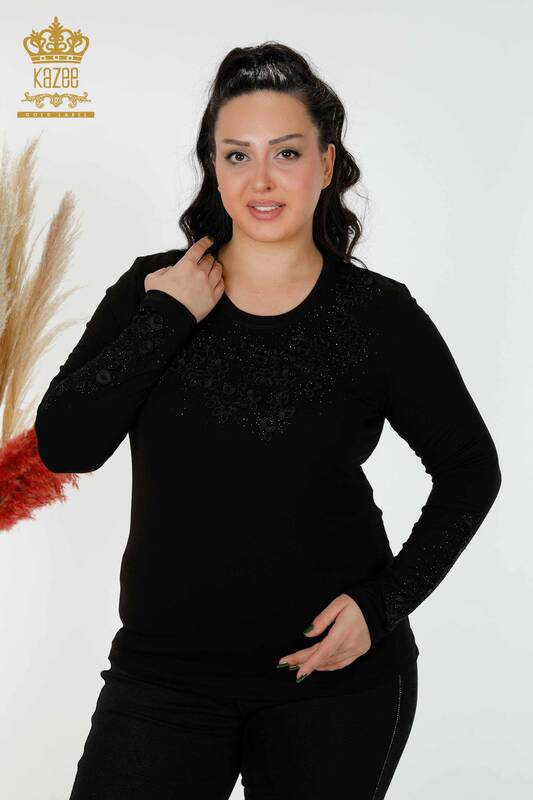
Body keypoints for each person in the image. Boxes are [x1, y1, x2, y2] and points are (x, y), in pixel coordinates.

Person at [35, 42, 502, 800]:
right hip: (163, 681)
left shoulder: (377, 315)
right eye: (236, 155)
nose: (260, 180)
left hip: (334, 680)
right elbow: (65, 445)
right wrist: (167, 318)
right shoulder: (152, 291)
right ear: (213, 168)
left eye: (285, 153)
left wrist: (382, 607)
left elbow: (470, 468)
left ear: (326, 163)